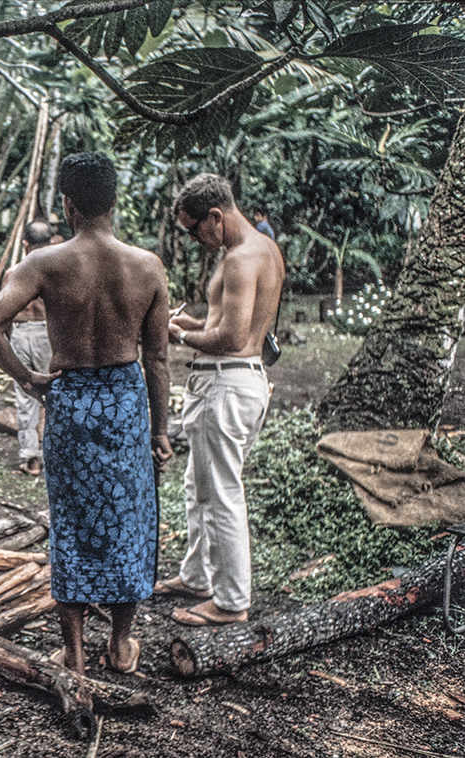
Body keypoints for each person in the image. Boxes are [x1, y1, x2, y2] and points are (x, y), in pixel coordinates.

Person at [0, 152, 172, 676]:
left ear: (68, 204)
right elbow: (157, 357)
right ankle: (122, 642)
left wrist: (27, 378)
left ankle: (75, 653)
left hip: (70, 400)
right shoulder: (147, 266)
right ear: (113, 201)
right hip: (126, 402)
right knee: (129, 520)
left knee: (72, 523)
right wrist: (161, 429)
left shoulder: (44, 264)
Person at [156, 173, 284, 626]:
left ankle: (230, 602)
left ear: (216, 216)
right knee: (199, 486)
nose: (194, 239)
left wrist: (178, 333)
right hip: (242, 380)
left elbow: (230, 338)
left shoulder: (239, 259)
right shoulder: (264, 249)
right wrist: (192, 322)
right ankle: (196, 575)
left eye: (194, 229)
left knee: (222, 493)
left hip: (226, 383)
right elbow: (240, 325)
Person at [5, 219, 55, 476]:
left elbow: (2, 315)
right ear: (50, 243)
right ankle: (51, 453)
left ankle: (31, 457)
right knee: (54, 391)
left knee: (25, 395)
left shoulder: (13, 274)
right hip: (47, 333)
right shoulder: (56, 272)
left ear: (25, 244)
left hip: (20, 332)